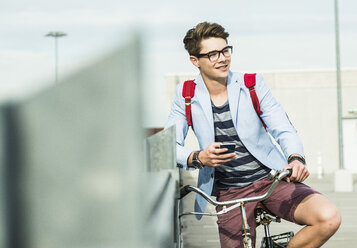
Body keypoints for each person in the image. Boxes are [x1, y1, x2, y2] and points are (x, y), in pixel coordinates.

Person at [165, 22, 341, 248]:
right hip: (229, 193)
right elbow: (169, 145)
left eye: (225, 50)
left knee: (328, 218)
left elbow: (283, 128)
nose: (222, 58)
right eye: (212, 54)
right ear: (195, 61)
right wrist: (198, 157)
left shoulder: (252, 84)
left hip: (272, 180)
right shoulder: (185, 95)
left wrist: (296, 157)